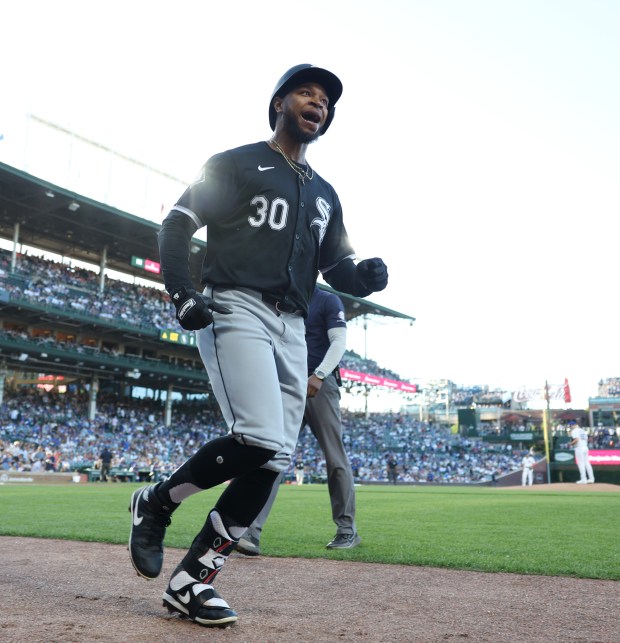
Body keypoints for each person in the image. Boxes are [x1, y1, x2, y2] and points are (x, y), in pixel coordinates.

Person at [127, 64, 388, 629]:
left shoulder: (324, 193)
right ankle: (158, 504)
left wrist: (363, 276)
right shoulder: (237, 162)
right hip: (235, 304)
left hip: (293, 324)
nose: (317, 102)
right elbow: (176, 223)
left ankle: (191, 582)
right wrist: (181, 294)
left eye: (325, 99)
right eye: (306, 92)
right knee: (261, 438)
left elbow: (336, 267)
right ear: (279, 103)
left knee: (276, 458)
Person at [236, 286, 360, 557]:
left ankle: (347, 529)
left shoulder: (327, 299)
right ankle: (251, 531)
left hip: (319, 384)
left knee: (334, 456)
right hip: (287, 383)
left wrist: (319, 374)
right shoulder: (282, 298)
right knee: (272, 455)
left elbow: (339, 341)